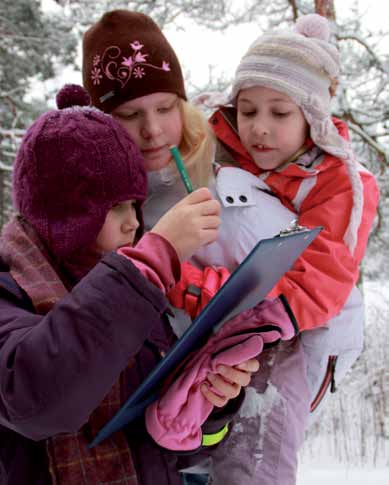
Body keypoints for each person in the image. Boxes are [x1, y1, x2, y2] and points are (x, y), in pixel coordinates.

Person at [81, 10, 379, 484]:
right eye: (129, 114)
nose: (260, 128)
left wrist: (237, 304)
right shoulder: (230, 153)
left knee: (256, 453)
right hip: (206, 346)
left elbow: (323, 278)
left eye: (164, 109)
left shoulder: (333, 184)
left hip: (282, 331)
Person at [0, 84, 260, 485]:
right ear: (66, 211)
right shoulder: (10, 289)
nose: (134, 223)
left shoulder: (130, 291)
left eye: (135, 204)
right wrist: (155, 259)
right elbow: (37, 401)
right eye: (115, 207)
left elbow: (165, 450)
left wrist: (207, 402)